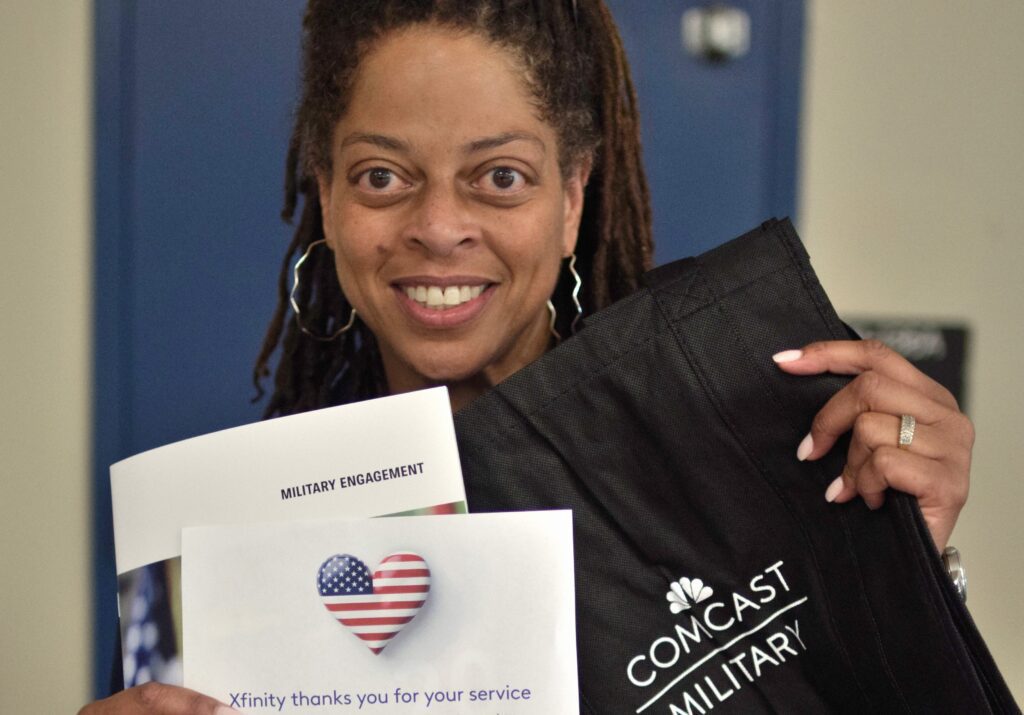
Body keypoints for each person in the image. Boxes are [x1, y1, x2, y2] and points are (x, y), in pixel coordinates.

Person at [81, 0, 973, 712]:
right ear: (326, 193)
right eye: (382, 176)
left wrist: (902, 565)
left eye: (499, 175)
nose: (437, 226)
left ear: (573, 196)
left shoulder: (733, 450)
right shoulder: (232, 545)